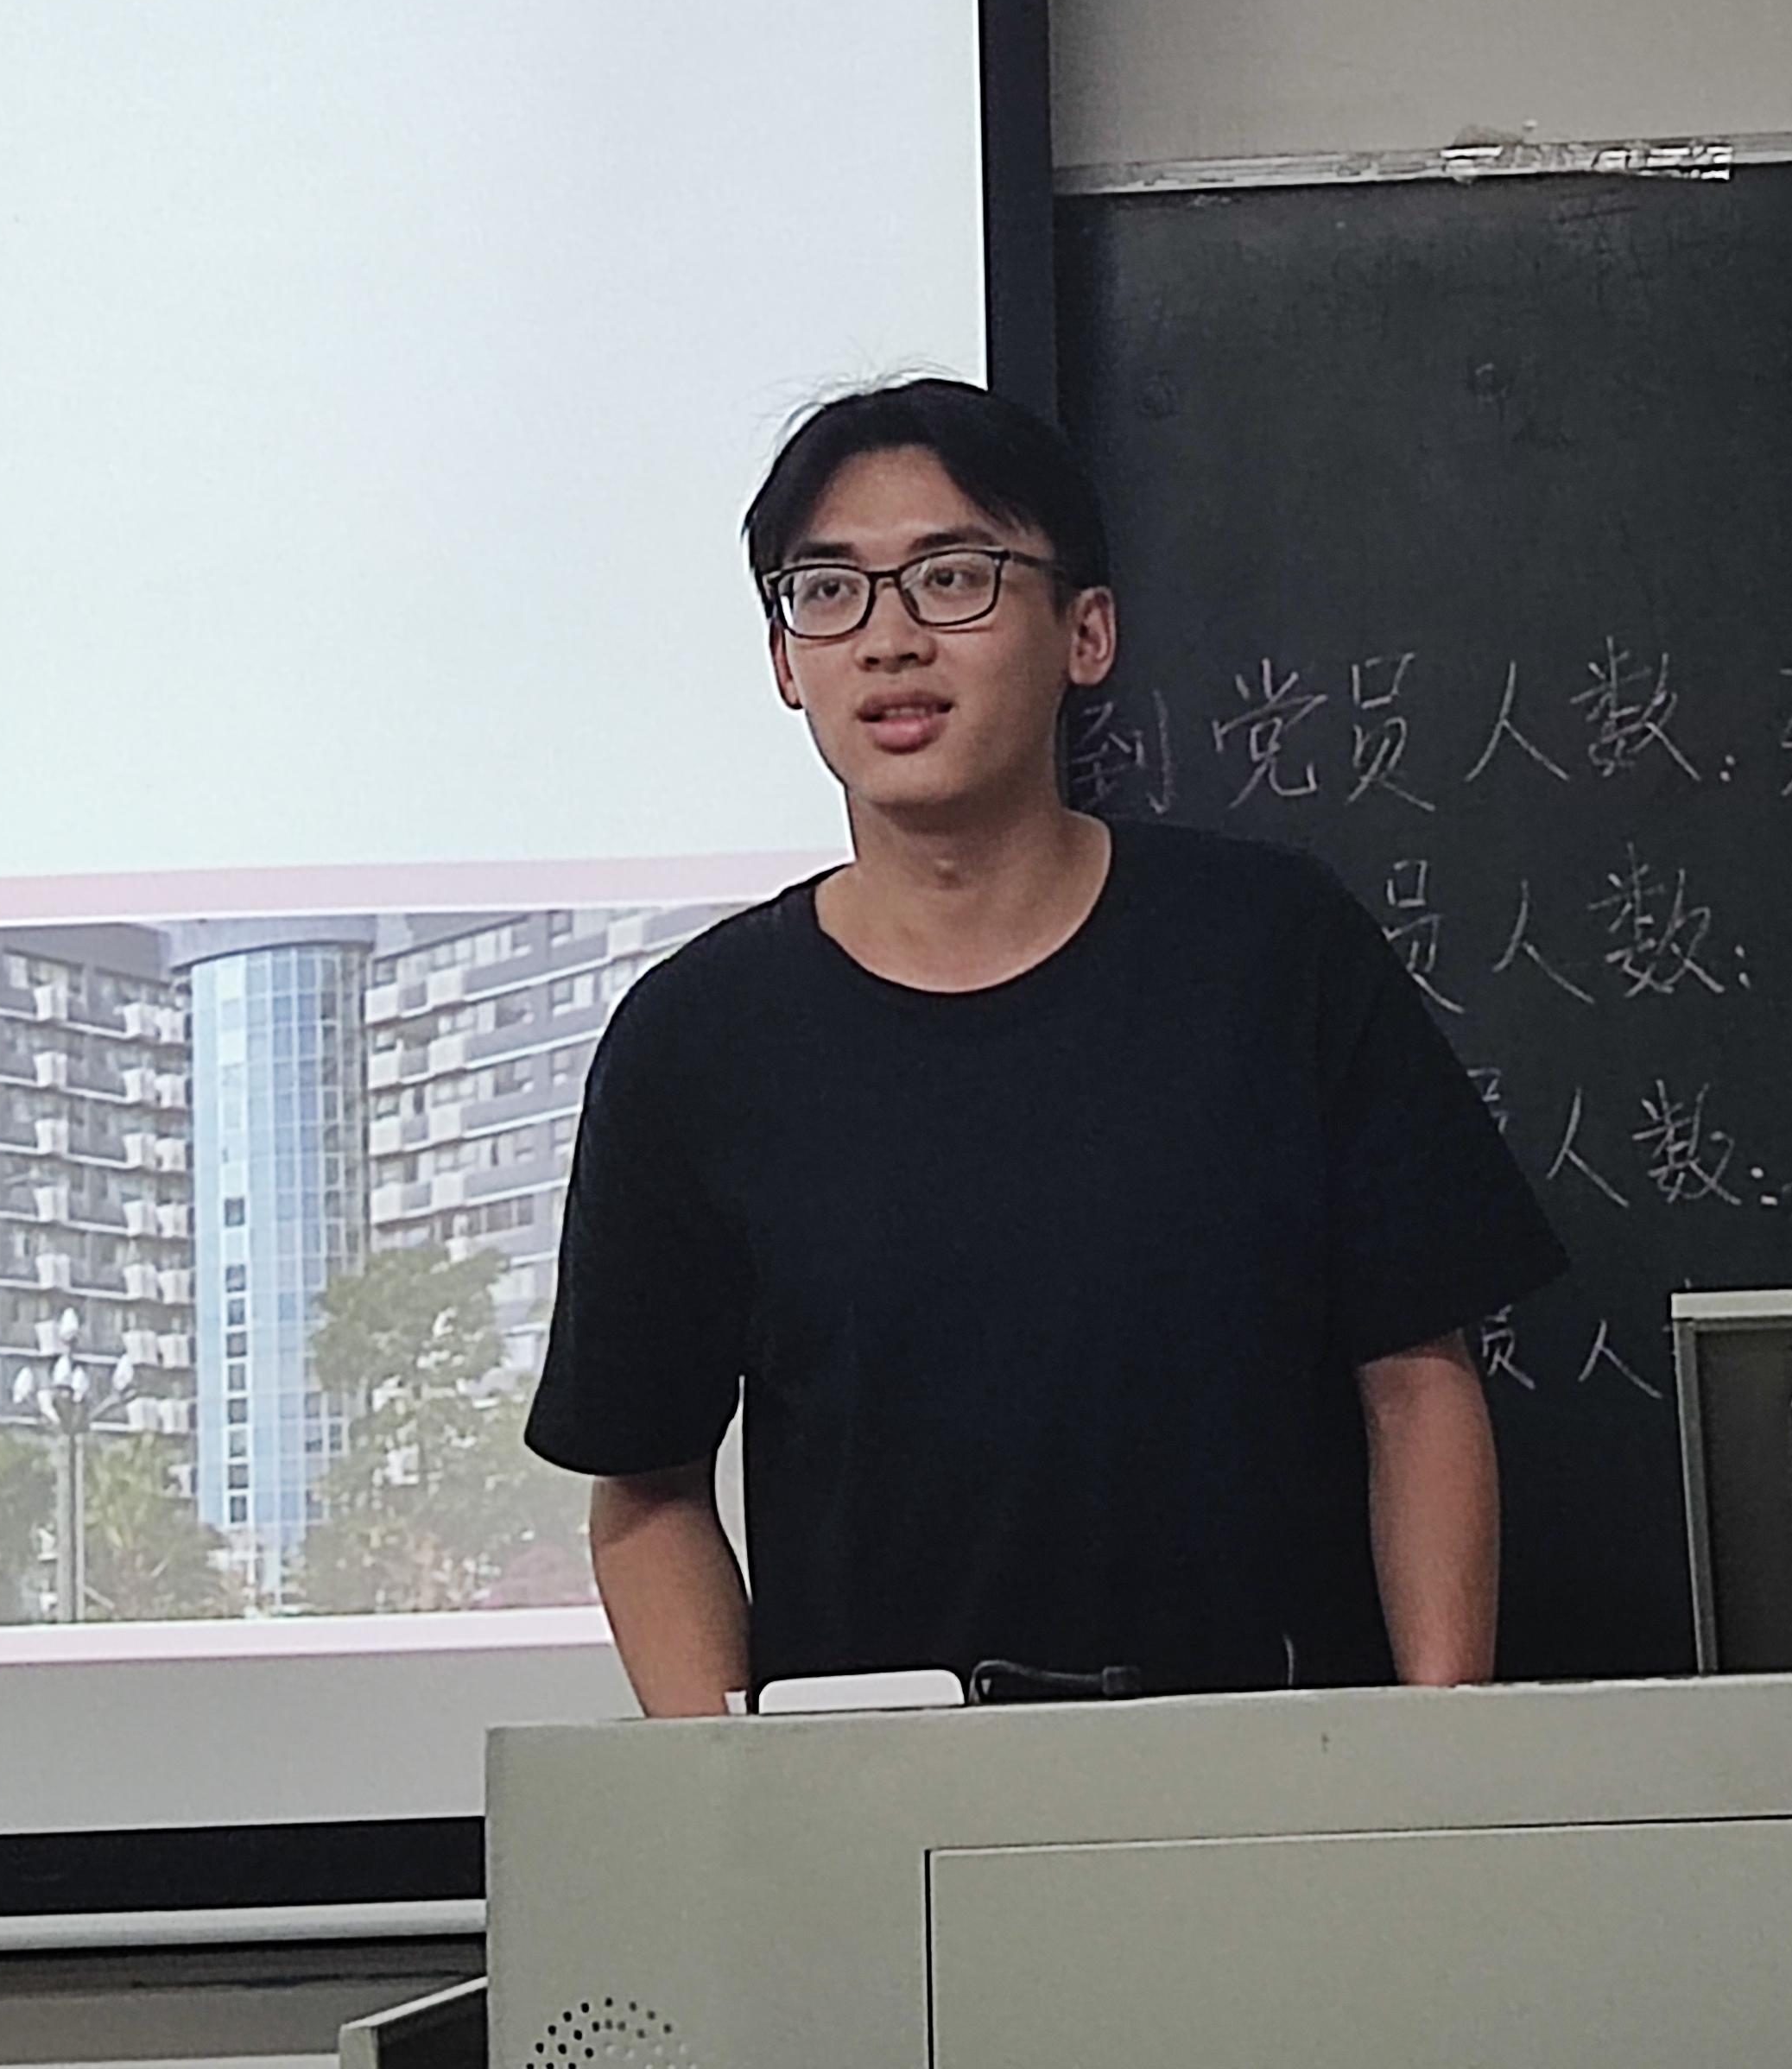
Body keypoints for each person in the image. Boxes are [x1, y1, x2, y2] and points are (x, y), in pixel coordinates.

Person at [524, 378, 1565, 1712]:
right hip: (880, 1790)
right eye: (828, 592)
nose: (890, 641)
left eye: (953, 579)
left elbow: (1418, 1383)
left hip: (1272, 1767)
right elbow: (647, 1488)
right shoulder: (696, 1040)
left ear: (1087, 631)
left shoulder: (1271, 952)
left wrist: (1434, 1747)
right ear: (786, 664)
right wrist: (735, 1791)